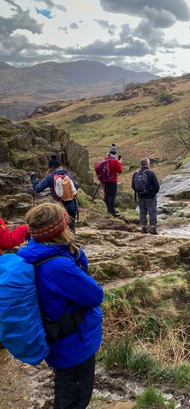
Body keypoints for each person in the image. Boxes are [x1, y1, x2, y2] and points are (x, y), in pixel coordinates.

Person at [17, 202, 104, 409]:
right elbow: (94, 295)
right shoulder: (58, 267)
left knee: (66, 390)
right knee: (75, 399)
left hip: (60, 341)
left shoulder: (33, 254)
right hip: (74, 345)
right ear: (60, 229)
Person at [31, 154, 79, 233]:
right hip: (72, 204)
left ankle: (62, 243)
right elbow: (76, 186)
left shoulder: (50, 176)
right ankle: (71, 243)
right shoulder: (67, 174)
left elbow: (38, 189)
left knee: (60, 229)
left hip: (60, 205)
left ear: (50, 167)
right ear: (59, 166)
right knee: (71, 227)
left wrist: (34, 180)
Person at [131, 158, 160, 234]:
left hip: (140, 196)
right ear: (147, 164)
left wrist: (139, 192)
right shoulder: (151, 173)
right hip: (150, 197)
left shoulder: (136, 173)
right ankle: (153, 228)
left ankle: (143, 228)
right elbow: (157, 186)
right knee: (152, 212)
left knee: (142, 212)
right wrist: (153, 193)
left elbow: (133, 185)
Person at [102, 144, 123, 217]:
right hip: (112, 181)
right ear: (115, 153)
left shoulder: (105, 159)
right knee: (112, 196)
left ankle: (108, 209)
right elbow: (120, 170)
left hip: (105, 181)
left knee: (107, 195)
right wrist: (120, 163)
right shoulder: (115, 161)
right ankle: (112, 211)